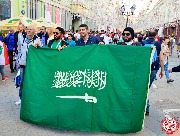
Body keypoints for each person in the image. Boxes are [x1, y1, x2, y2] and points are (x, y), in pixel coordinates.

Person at [15, 24, 42, 105]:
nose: (29, 31)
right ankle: (21, 98)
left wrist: (38, 46)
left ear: (34, 31)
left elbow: (40, 50)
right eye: (28, 29)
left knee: (31, 81)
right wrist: (19, 61)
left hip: (32, 64)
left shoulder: (37, 39)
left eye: (30, 29)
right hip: (23, 63)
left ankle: (31, 98)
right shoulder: (21, 38)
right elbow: (19, 50)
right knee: (22, 81)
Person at [142, 30, 164, 116]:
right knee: (147, 87)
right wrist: (162, 70)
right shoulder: (158, 44)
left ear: (147, 35)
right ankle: (146, 108)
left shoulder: (142, 42)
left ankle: (145, 107)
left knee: (143, 87)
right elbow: (161, 58)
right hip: (154, 68)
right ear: (156, 35)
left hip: (143, 68)